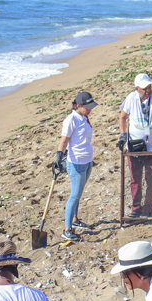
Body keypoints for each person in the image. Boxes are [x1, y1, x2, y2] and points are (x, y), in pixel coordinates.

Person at [117, 74, 152, 218]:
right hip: (135, 147)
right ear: (137, 89)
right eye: (144, 88)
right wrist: (123, 135)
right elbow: (122, 117)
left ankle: (148, 208)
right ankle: (136, 208)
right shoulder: (131, 98)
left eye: (149, 87)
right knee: (135, 178)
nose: (148, 90)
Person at [55, 91, 97, 242]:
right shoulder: (71, 119)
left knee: (78, 194)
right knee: (74, 196)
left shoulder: (84, 118)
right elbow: (64, 140)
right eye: (87, 107)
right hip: (76, 163)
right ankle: (67, 230)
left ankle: (75, 219)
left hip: (87, 161)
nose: (90, 109)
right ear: (78, 106)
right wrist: (59, 157)